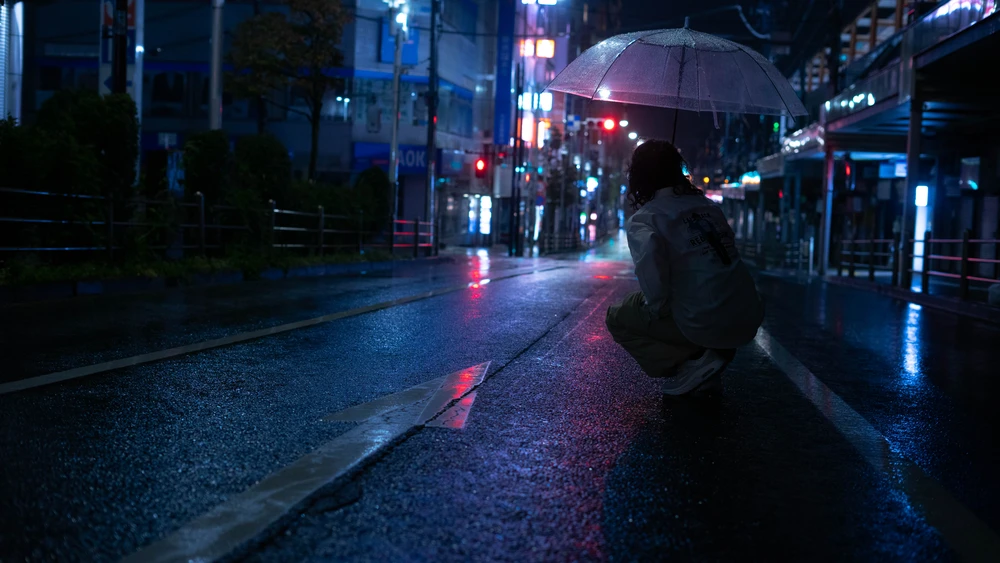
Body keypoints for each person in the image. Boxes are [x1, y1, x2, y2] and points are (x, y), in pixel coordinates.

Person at [605, 140, 764, 395]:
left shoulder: (647, 218)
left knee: (618, 316)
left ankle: (690, 364)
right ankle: (707, 356)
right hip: (748, 316)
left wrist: (658, 310)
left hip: (704, 322)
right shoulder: (710, 207)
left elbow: (654, 286)